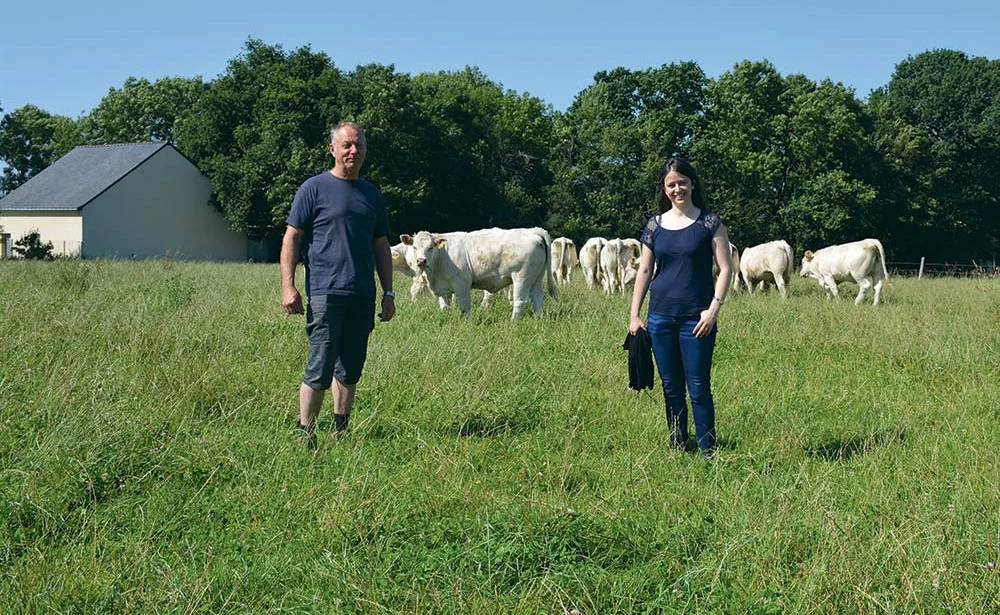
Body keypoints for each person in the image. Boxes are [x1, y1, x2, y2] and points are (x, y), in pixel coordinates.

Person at [280, 122, 396, 447]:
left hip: (362, 293)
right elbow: (292, 238)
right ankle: (306, 435)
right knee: (320, 364)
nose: (353, 151)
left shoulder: (371, 195)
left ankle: (341, 429)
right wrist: (288, 286)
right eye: (346, 145)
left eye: (358, 145)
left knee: (351, 368)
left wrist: (388, 292)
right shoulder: (313, 189)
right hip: (325, 292)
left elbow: (381, 246)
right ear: (333, 149)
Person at [628, 156, 732, 459]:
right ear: (664, 188)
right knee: (671, 387)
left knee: (698, 387)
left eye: (682, 183)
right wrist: (635, 315)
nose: (677, 189)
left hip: (697, 319)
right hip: (659, 317)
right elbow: (645, 271)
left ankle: (707, 450)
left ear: (692, 184)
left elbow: (725, 269)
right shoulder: (654, 226)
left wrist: (713, 309)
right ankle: (677, 444)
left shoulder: (710, 223)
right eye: (671, 184)